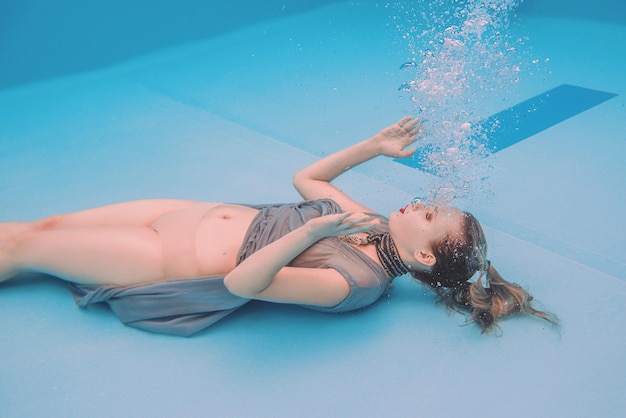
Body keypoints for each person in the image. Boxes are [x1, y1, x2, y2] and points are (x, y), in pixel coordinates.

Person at [0, 117, 557, 336]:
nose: (418, 204)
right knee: (39, 225)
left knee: (27, 248)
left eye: (430, 217)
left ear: (425, 258)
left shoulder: (355, 283)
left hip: (163, 257)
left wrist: (313, 234)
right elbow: (306, 178)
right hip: (180, 212)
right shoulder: (363, 223)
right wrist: (372, 147)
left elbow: (243, 284)